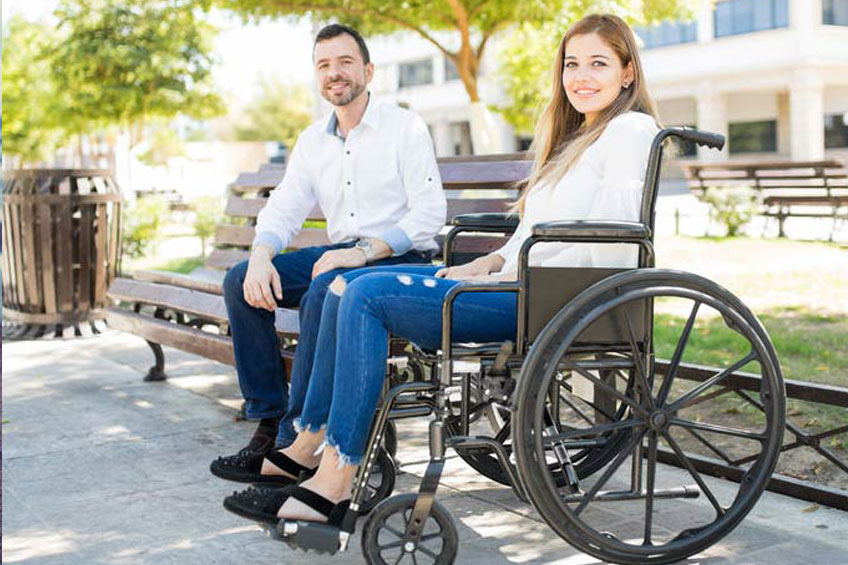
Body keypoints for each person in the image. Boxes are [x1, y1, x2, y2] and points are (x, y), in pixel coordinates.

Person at [223, 12, 661, 527]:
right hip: (519, 281)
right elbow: (527, 235)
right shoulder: (576, 139)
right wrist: (485, 263)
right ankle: (311, 442)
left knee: (363, 295)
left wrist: (508, 272)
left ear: (627, 72)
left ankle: (335, 480)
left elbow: (613, 243)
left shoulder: (631, 130)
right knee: (341, 285)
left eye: (598, 64)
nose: (581, 76)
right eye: (571, 64)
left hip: (550, 297)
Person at [210, 23, 446, 485]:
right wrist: (261, 254)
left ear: (368, 71)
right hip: (343, 253)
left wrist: (362, 252)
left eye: (344, 62)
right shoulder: (312, 140)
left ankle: (299, 441)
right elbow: (283, 208)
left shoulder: (404, 126)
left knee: (325, 285)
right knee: (240, 281)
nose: (334, 73)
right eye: (324, 65)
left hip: (400, 257)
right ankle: (271, 421)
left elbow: (430, 214)